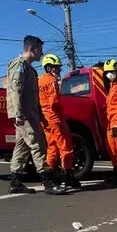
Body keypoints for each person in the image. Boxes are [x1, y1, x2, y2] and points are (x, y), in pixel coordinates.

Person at [6, 35, 66, 195]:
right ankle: (48, 182)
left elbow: (32, 96)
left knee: (22, 147)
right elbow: (16, 90)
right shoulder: (19, 66)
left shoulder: (29, 68)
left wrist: (40, 115)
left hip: (29, 113)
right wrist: (18, 113)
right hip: (24, 114)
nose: (42, 53)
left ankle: (15, 182)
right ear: (31, 49)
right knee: (38, 145)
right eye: (40, 50)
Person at [38, 53, 80, 189]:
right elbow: (54, 103)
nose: (59, 70)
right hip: (55, 119)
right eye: (57, 68)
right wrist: (62, 121)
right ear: (49, 68)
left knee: (52, 148)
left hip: (45, 120)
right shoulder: (51, 82)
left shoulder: (40, 81)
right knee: (66, 148)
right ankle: (68, 176)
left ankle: (49, 176)